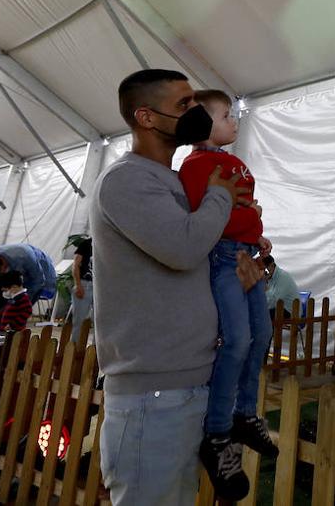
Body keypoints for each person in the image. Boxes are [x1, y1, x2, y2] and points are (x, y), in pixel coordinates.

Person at [93, 69, 249, 505]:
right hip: (151, 393)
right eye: (183, 105)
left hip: (189, 382)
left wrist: (244, 267)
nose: (196, 112)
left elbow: (198, 260)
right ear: (145, 116)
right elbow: (182, 248)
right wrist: (220, 197)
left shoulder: (177, 181)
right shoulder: (126, 180)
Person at [179, 89, 277, 490]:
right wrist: (246, 223)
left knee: (263, 334)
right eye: (225, 116)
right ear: (204, 124)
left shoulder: (228, 162)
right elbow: (205, 218)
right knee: (236, 339)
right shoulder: (195, 166)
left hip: (246, 257)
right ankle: (217, 430)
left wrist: (258, 234)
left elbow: (242, 211)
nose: (234, 122)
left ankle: (245, 413)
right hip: (223, 258)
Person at [0, 242, 57, 339]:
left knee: (15, 313)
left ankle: (11, 342)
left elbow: (37, 282)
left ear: (3, 271)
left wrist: (15, 303)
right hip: (12, 277)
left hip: (37, 277)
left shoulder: (25, 257)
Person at [67, 234, 94, 332]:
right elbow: (76, 265)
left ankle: (95, 347)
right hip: (85, 284)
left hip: (100, 286)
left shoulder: (106, 244)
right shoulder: (86, 244)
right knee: (79, 321)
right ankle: (75, 345)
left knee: (100, 322)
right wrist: (78, 285)